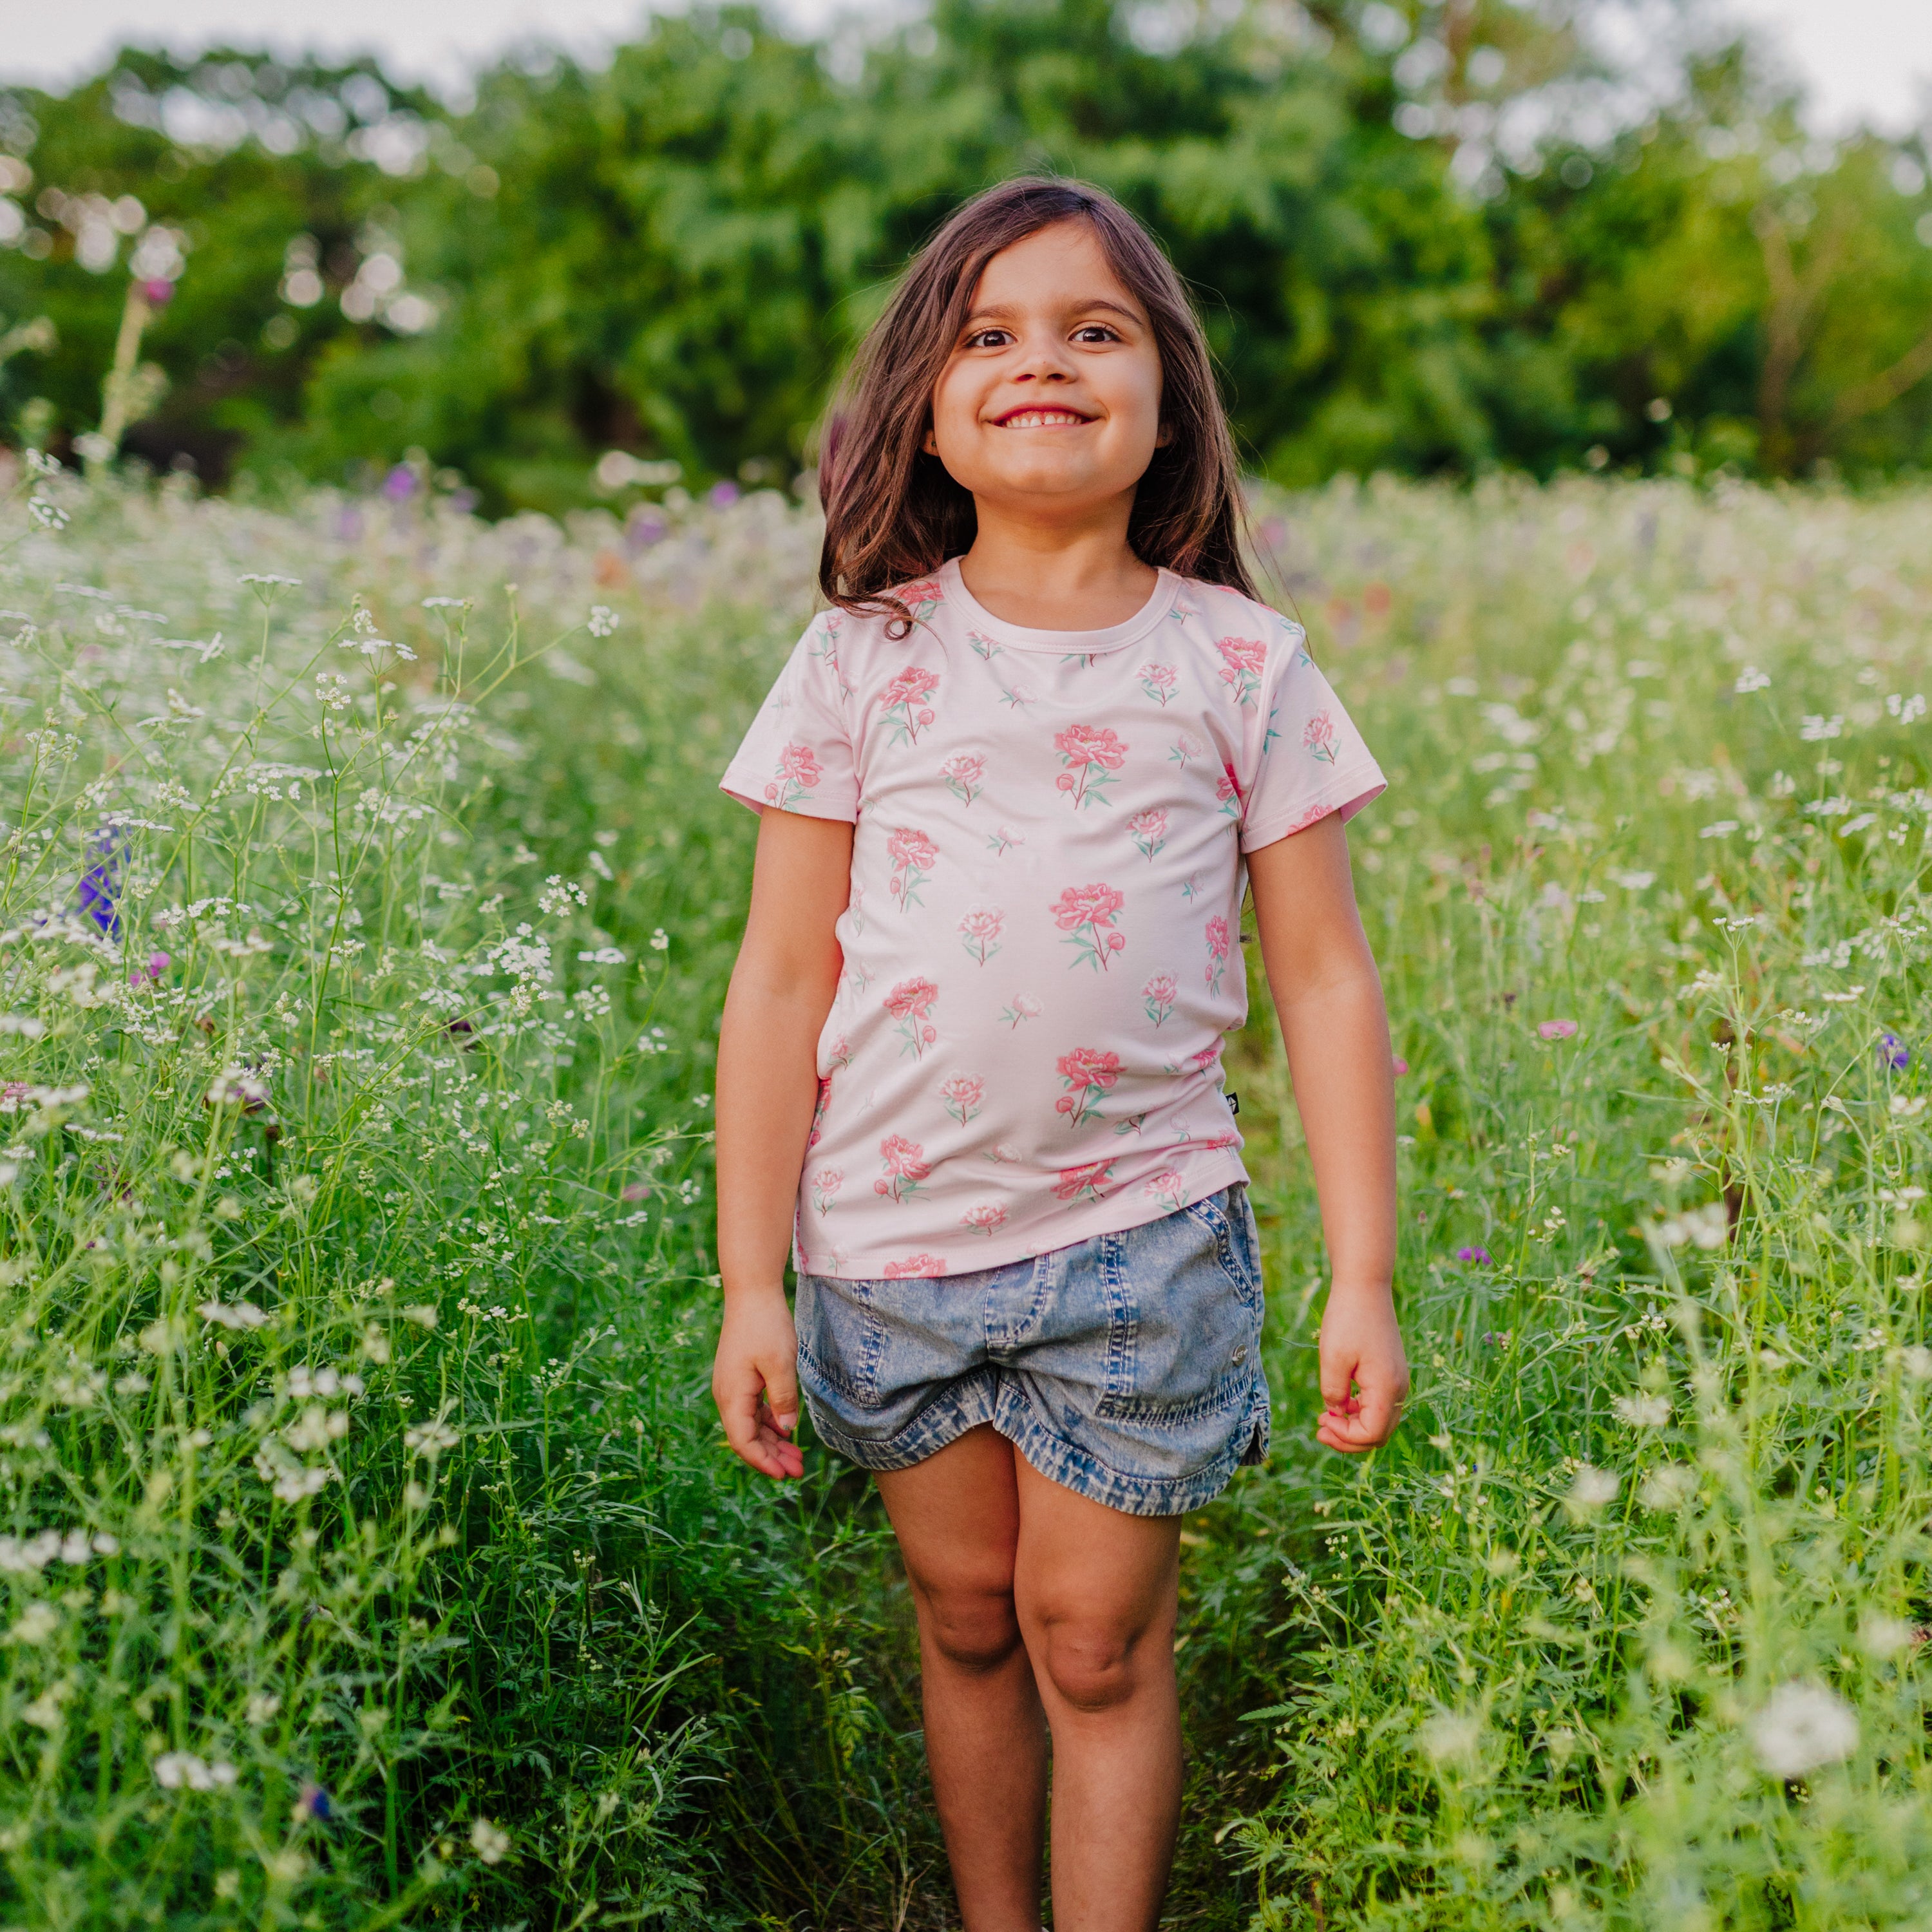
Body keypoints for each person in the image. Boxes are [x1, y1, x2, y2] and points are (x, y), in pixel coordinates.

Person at [711, 175, 1407, 1931]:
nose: (1042, 361)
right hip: (887, 1245)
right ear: (926, 415)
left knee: (1091, 1641)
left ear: (1167, 397)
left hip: (1139, 1237)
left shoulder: (1243, 663)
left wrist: (1366, 1273)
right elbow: (780, 980)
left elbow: (1324, 983)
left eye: (1095, 331)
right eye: (990, 334)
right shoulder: (862, 660)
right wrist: (749, 1282)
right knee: (962, 1618)